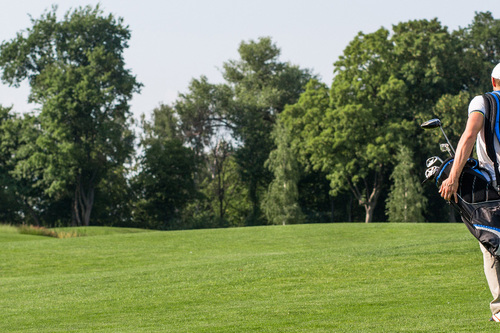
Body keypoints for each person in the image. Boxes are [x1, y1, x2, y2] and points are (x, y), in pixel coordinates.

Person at [439, 63, 500, 322]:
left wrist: (453, 178)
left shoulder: (483, 101)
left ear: (493, 80)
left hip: (493, 188)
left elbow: (468, 136)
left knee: (491, 244)